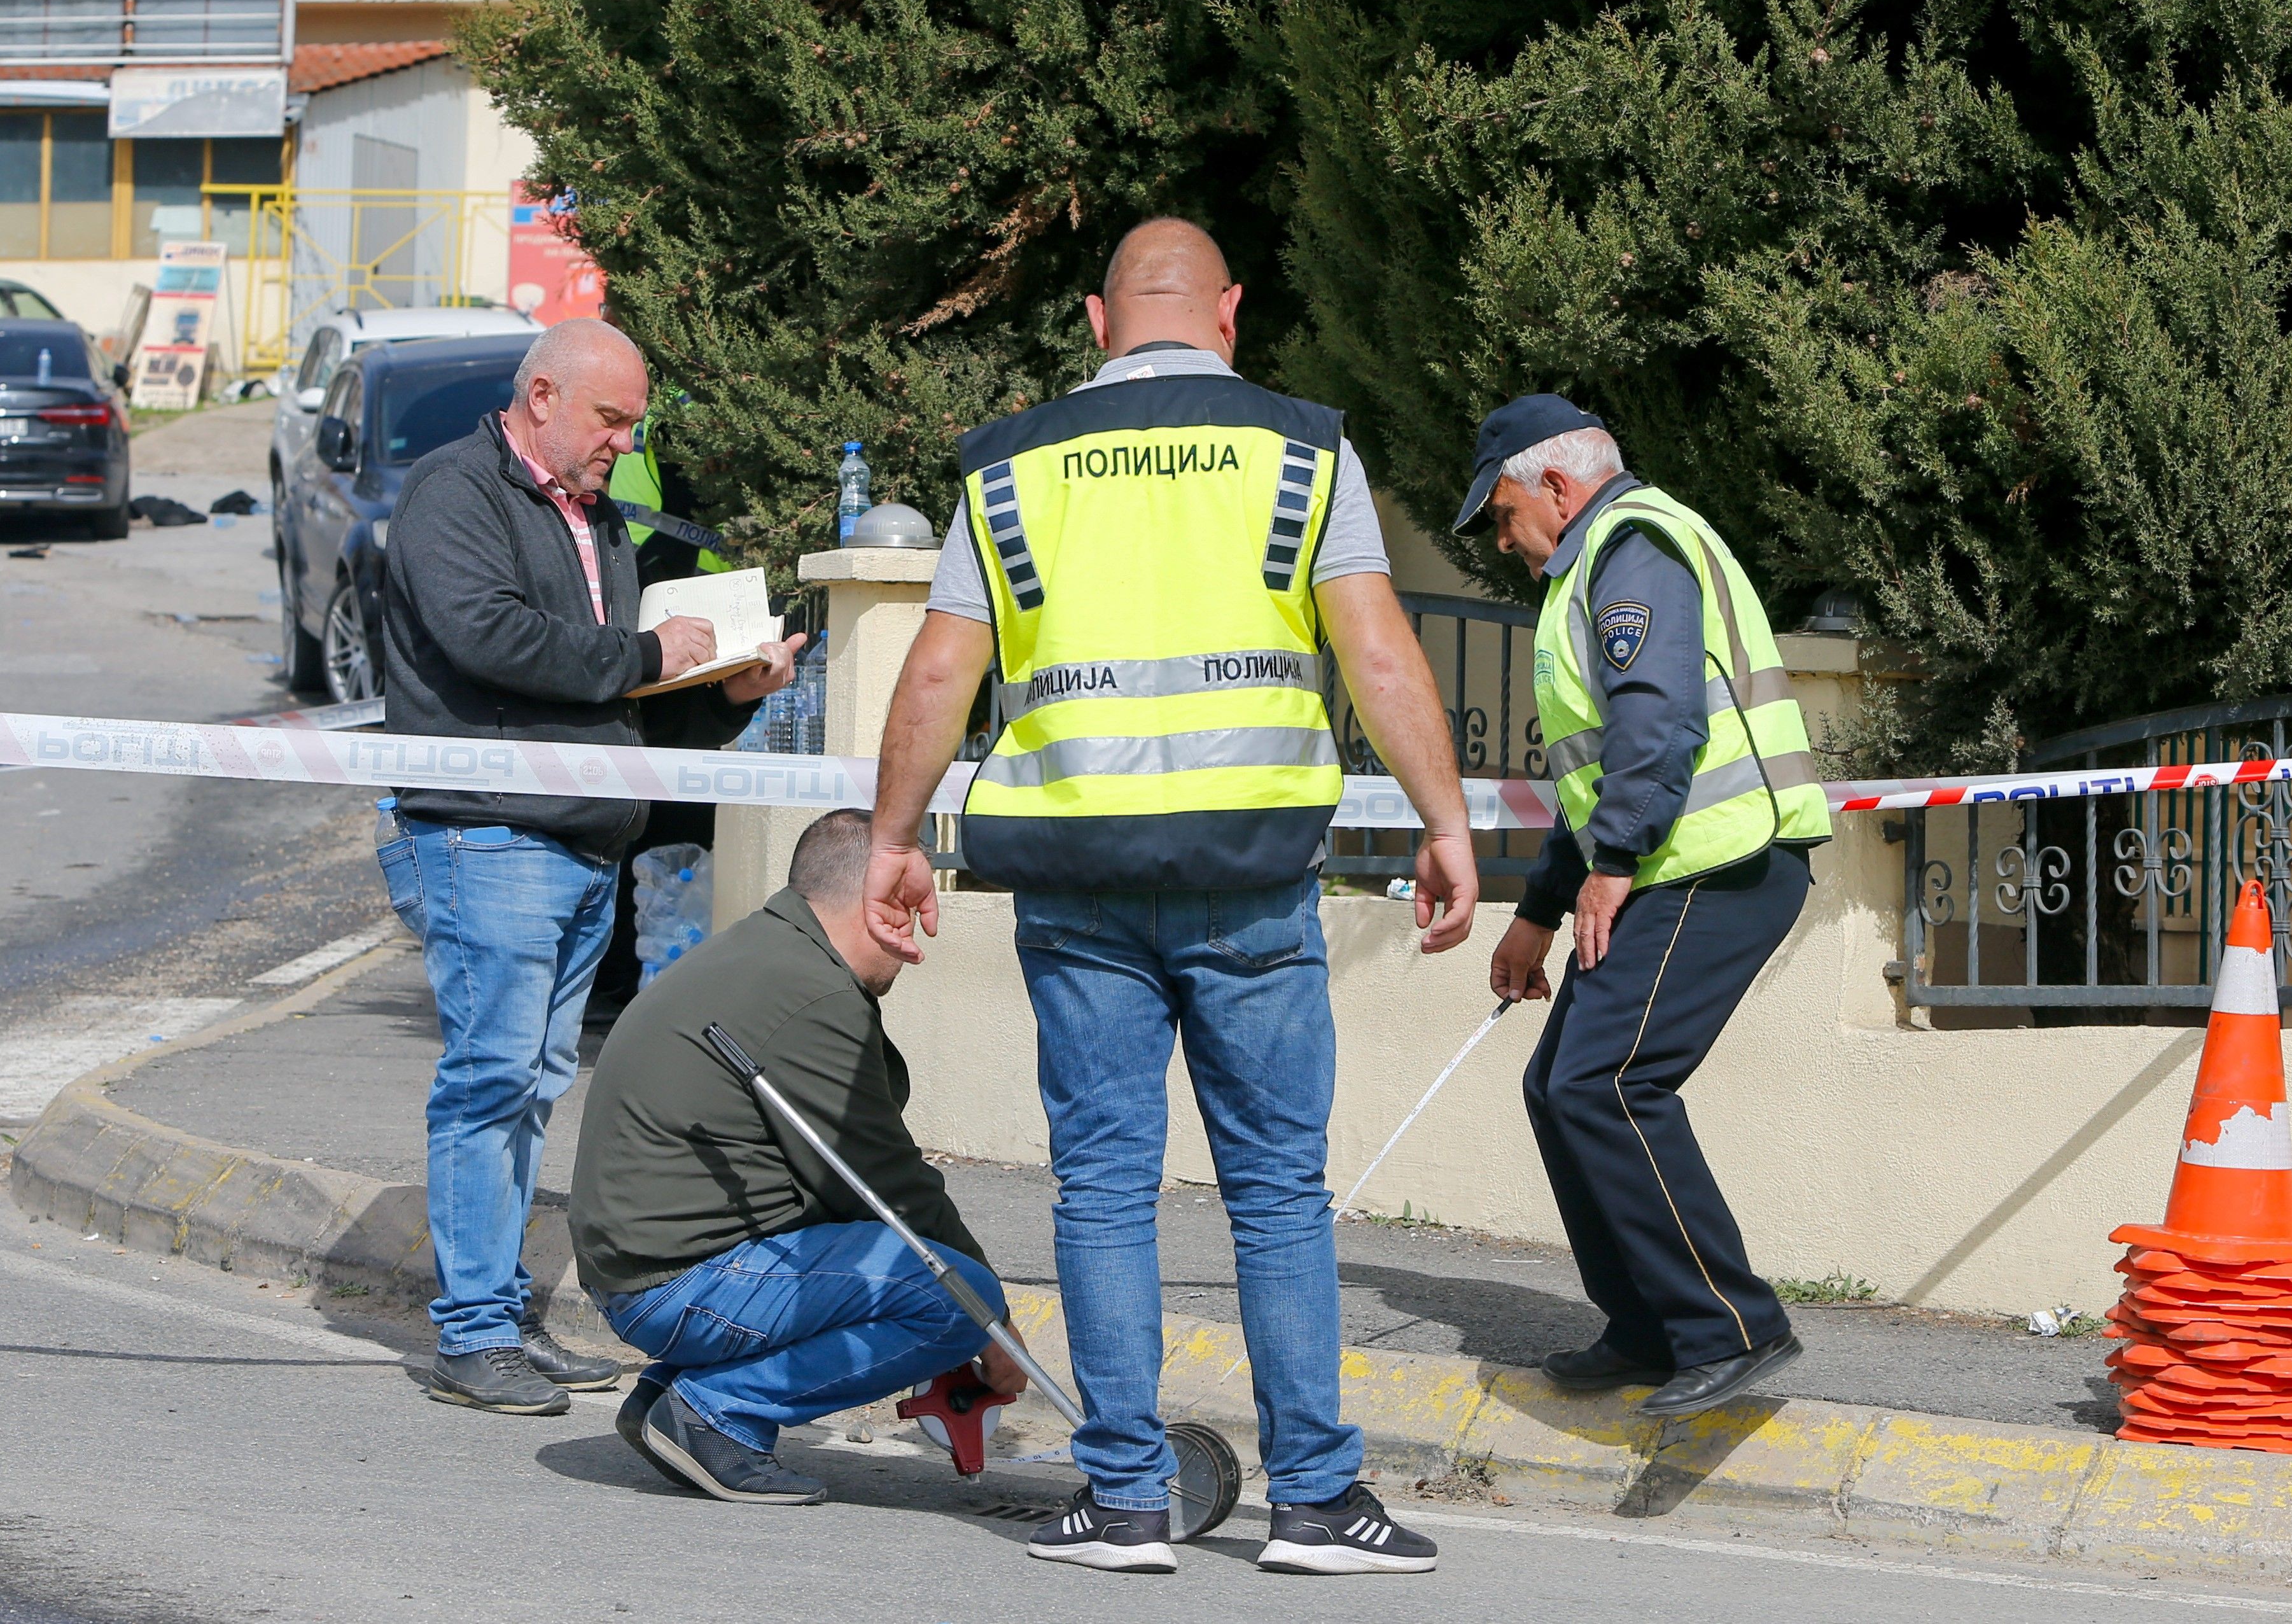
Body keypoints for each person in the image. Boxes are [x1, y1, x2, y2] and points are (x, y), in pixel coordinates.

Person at [867, 219, 1479, 1576]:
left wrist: (892, 836)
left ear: (1094, 321)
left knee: (1099, 1190)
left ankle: (1124, 1500)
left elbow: (932, 672)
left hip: (1075, 876)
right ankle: (1313, 1504)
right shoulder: (1304, 447)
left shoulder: (1011, 463)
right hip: (1247, 872)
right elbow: (1375, 651)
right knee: (1274, 1193)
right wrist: (1443, 821)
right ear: (1229, 315)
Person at [375, 315, 805, 1417]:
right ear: (540, 398)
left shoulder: (594, 522)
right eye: (610, 418)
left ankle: (500, 1315)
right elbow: (489, 638)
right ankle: (473, 1333)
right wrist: (646, 657)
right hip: (489, 835)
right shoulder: (452, 492)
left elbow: (618, 709)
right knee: (491, 1084)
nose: (624, 440)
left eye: (633, 422)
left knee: (525, 1088)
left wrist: (722, 698)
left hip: (573, 842)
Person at [1460, 395, 1831, 1419]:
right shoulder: (1590, 568)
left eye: (1502, 513)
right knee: (1560, 1084)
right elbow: (1595, 773)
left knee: (1608, 1082)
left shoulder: (1630, 545)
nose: (1503, 540)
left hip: (1718, 861)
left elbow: (1656, 724)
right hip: (1666, 862)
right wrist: (1539, 908)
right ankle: (1646, 1325)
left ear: (1559, 486)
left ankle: (1730, 1326)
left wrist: (1613, 860)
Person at [570, 810, 1021, 1504]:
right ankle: (717, 1412)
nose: (916, 938)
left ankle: (677, 1392)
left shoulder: (767, 951)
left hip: (641, 1266)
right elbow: (886, 1186)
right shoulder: (813, 994)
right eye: (909, 910)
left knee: (936, 1281)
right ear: (876, 903)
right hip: (671, 1282)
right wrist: (994, 1329)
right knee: (955, 1298)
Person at [584, 395, 734, 1037]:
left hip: (685, 608)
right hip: (659, 607)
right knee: (646, 819)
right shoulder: (659, 401)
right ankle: (621, 977)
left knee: (665, 821)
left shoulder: (671, 395)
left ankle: (632, 978)